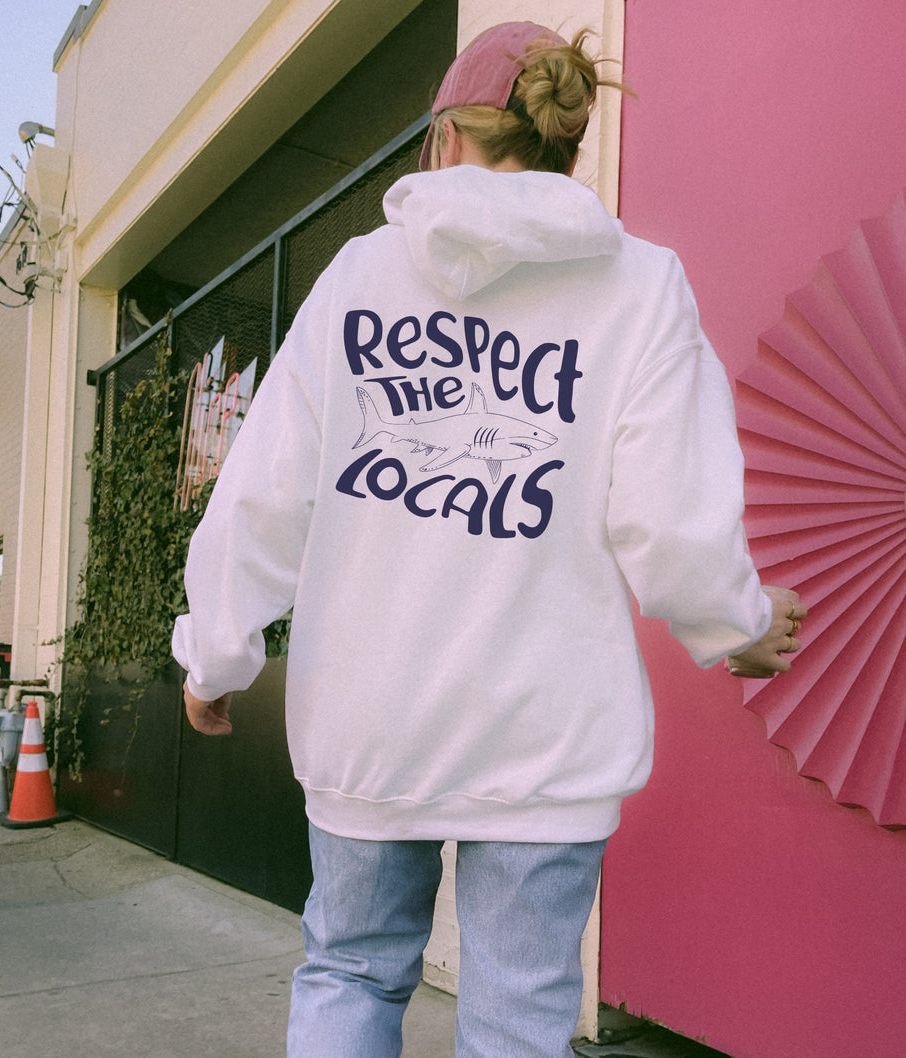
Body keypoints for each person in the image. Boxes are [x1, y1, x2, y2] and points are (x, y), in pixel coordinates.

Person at [172, 21, 807, 1058]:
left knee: (351, 972)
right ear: (564, 144)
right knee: (516, 1015)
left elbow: (263, 493)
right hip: (546, 731)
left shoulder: (359, 278)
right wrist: (732, 623)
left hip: (370, 722)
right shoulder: (640, 285)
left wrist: (215, 653)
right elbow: (671, 516)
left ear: (445, 137)